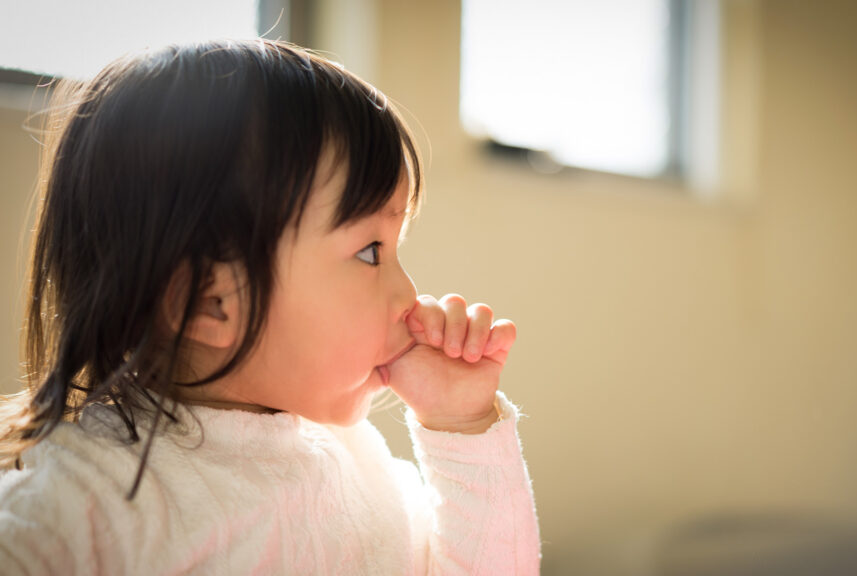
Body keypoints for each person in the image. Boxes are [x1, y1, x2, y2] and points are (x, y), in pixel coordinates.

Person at [0, 38, 540, 575]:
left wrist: (462, 424)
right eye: (370, 251)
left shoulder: (357, 464)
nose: (408, 293)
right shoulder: (82, 503)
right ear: (209, 301)